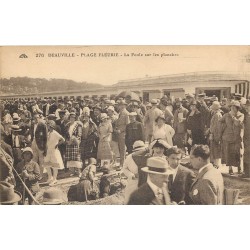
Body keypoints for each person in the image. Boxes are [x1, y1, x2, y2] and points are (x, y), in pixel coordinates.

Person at [220, 100, 244, 175]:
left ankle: (239, 168)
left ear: (237, 108)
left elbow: (237, 123)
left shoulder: (241, 115)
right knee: (228, 153)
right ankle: (230, 169)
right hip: (227, 137)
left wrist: (233, 117)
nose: (233, 109)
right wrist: (223, 128)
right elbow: (220, 121)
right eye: (231, 107)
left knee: (237, 153)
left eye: (235, 107)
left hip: (237, 137)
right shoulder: (226, 115)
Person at [43, 120, 65, 185]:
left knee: (55, 165)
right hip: (48, 150)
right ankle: (50, 177)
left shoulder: (55, 133)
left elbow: (63, 139)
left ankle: (55, 179)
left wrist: (57, 144)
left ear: (51, 126)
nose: (47, 127)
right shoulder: (48, 133)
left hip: (54, 151)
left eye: (48, 126)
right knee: (47, 165)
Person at [30, 113, 48, 180]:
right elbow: (32, 134)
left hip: (41, 144)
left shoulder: (42, 125)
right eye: (35, 118)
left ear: (39, 118)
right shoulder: (32, 125)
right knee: (34, 159)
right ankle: (35, 174)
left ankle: (41, 175)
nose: (36, 119)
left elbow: (46, 137)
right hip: (34, 142)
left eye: (37, 117)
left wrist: (45, 147)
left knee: (41, 160)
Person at [65, 112, 83, 177]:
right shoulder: (68, 125)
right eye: (70, 117)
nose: (71, 118)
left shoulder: (78, 125)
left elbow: (79, 134)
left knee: (76, 157)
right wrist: (67, 141)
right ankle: (72, 171)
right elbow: (66, 135)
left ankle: (79, 172)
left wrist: (74, 140)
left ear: (75, 118)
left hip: (75, 143)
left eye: (73, 117)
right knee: (70, 158)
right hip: (69, 143)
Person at [114, 100, 130, 167]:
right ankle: (122, 163)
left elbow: (127, 124)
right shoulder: (119, 113)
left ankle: (122, 163)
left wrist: (121, 130)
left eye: (121, 105)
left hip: (123, 133)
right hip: (118, 132)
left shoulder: (126, 113)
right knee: (120, 149)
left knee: (122, 149)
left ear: (124, 105)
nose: (119, 106)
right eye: (119, 105)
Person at [209, 101, 223, 168]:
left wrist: (213, 134)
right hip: (214, 134)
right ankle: (215, 163)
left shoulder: (217, 115)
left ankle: (216, 164)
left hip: (216, 134)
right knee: (214, 148)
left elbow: (217, 126)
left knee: (216, 149)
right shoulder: (216, 114)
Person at [242, 99, 250, 178]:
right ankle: (247, 172)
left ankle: (247, 173)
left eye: (248, 106)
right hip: (246, 139)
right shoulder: (247, 115)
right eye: (246, 106)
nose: (246, 108)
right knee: (246, 156)